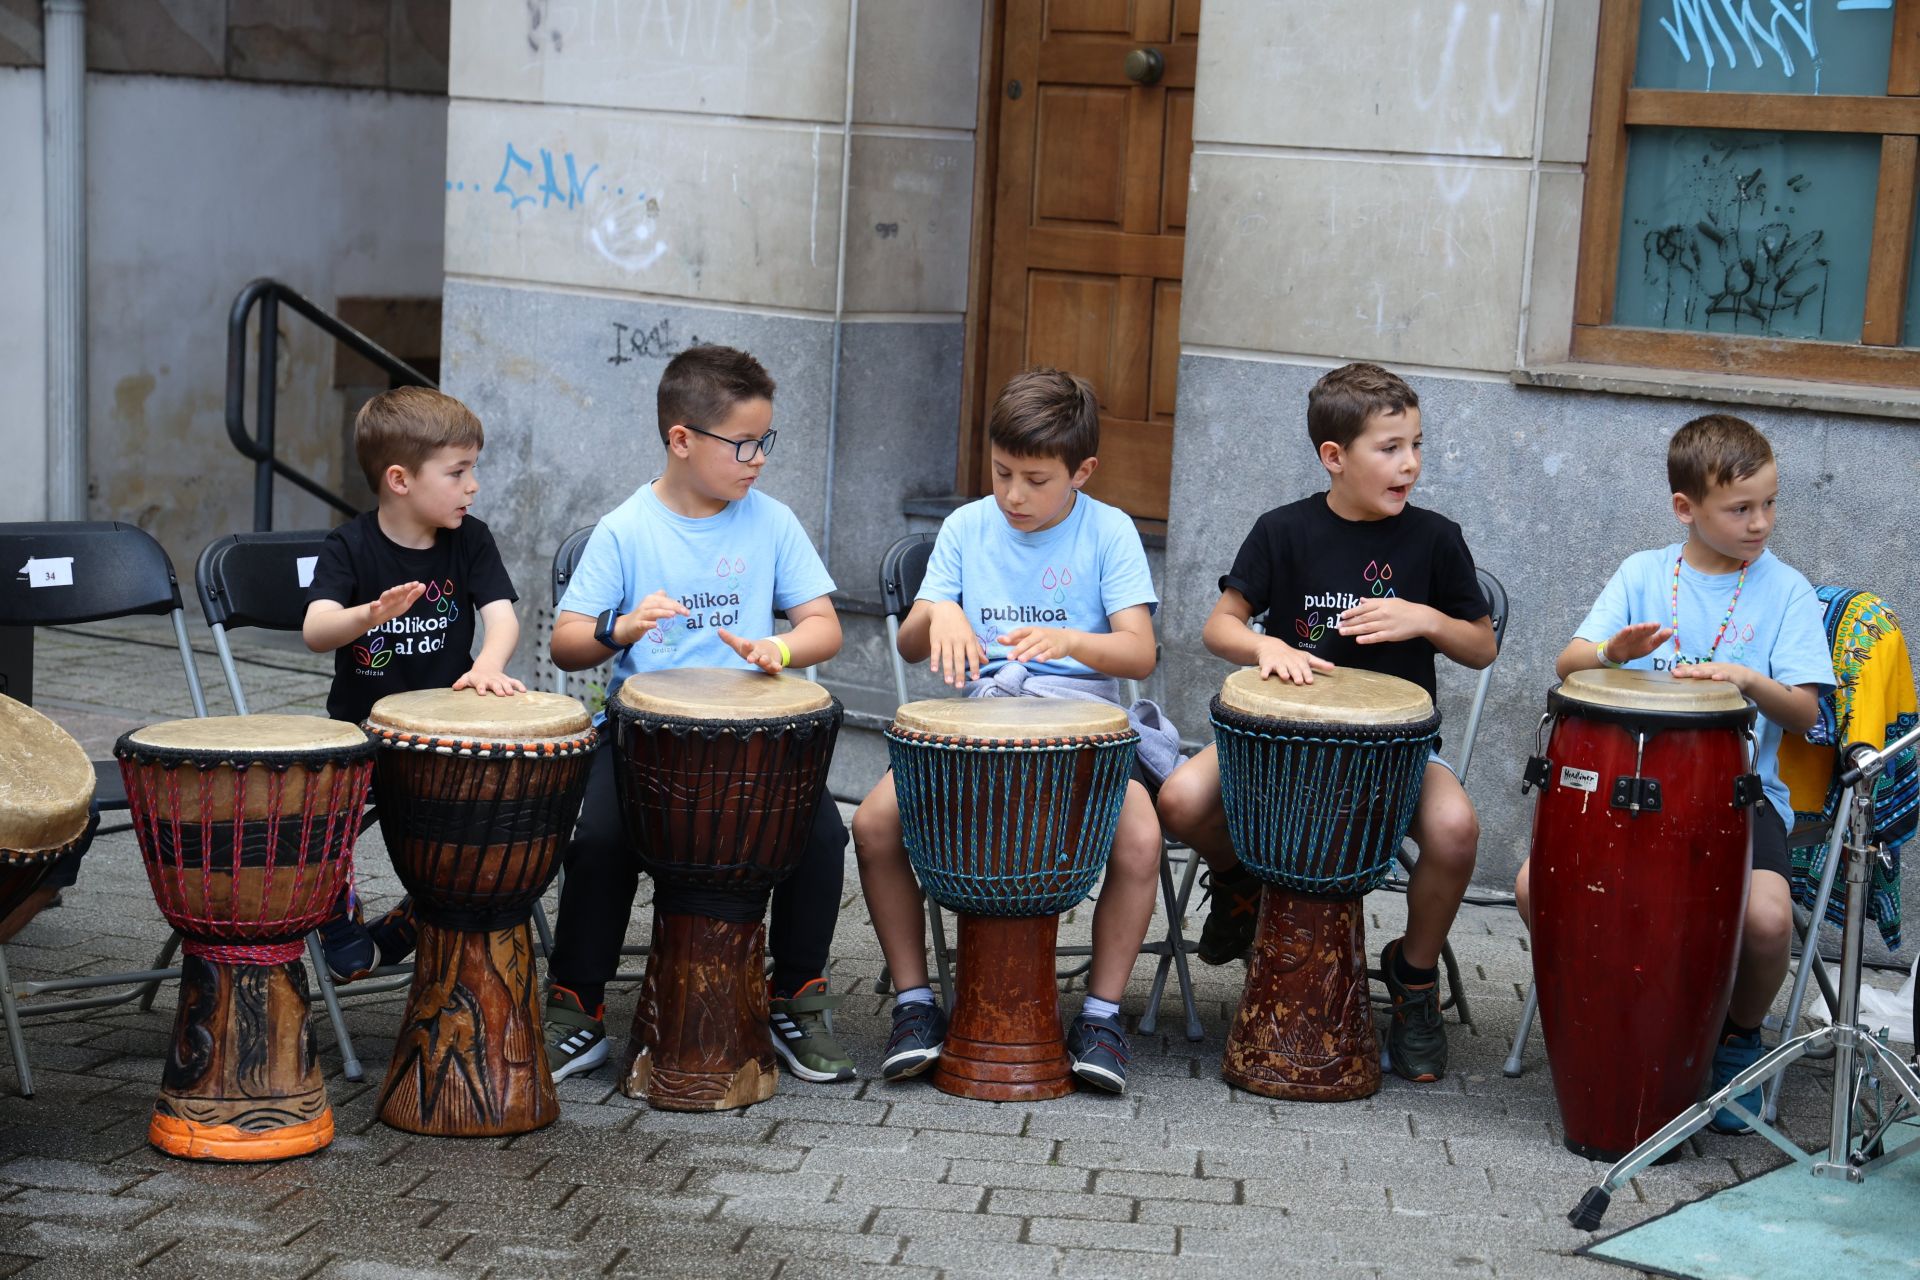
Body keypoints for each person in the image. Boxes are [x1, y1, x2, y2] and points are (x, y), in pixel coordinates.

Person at [1156, 361, 1496, 1084]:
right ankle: (1241, 881)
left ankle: (1413, 976)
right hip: (1278, 747)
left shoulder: (1435, 540)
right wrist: (1265, 644)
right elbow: (1221, 627)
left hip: (1393, 755)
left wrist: (1427, 618)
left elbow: (1482, 644)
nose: (1409, 463)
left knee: (1456, 830)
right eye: (1390, 447)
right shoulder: (1284, 531)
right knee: (1180, 800)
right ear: (1334, 458)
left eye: (1417, 445)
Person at [852, 368, 1171, 1095]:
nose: (1014, 495)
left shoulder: (1109, 530)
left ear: (1081, 473)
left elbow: (1140, 652)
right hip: (975, 730)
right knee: (873, 825)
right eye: (1001, 473)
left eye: (1035, 479)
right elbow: (908, 646)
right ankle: (915, 1003)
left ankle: (1099, 1015)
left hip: (1079, 734)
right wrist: (942, 613)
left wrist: (1073, 643)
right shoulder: (967, 527)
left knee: (1142, 839)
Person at [544, 343, 854, 1085]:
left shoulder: (771, 522)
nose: (757, 460)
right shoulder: (625, 530)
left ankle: (797, 995)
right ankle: (575, 1007)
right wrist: (620, 629)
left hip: (754, 740)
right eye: (743, 444)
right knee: (598, 841)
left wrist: (779, 648)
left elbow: (825, 626)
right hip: (648, 738)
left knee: (820, 840)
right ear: (681, 440)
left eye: (765, 442)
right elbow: (564, 643)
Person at [1515, 412, 1833, 1134]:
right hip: (1628, 802)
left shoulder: (1786, 592)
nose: (1760, 523)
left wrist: (1750, 678)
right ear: (1686, 508)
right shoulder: (1644, 574)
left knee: (1766, 919)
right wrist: (1613, 653)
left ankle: (1736, 1038)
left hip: (1735, 798)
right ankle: (1601, 1017)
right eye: (1741, 508)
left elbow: (1807, 713)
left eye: (1770, 504)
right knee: (1538, 887)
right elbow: (1569, 665)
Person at [303, 386, 526, 981]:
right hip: (363, 733)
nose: (472, 485)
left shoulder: (470, 539)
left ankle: (426, 910)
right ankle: (333, 909)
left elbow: (501, 615)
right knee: (318, 806)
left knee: (501, 814)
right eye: (458, 472)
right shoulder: (348, 546)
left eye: (472, 469)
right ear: (400, 480)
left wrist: (487, 665)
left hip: (443, 733)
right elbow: (316, 630)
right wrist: (367, 617)